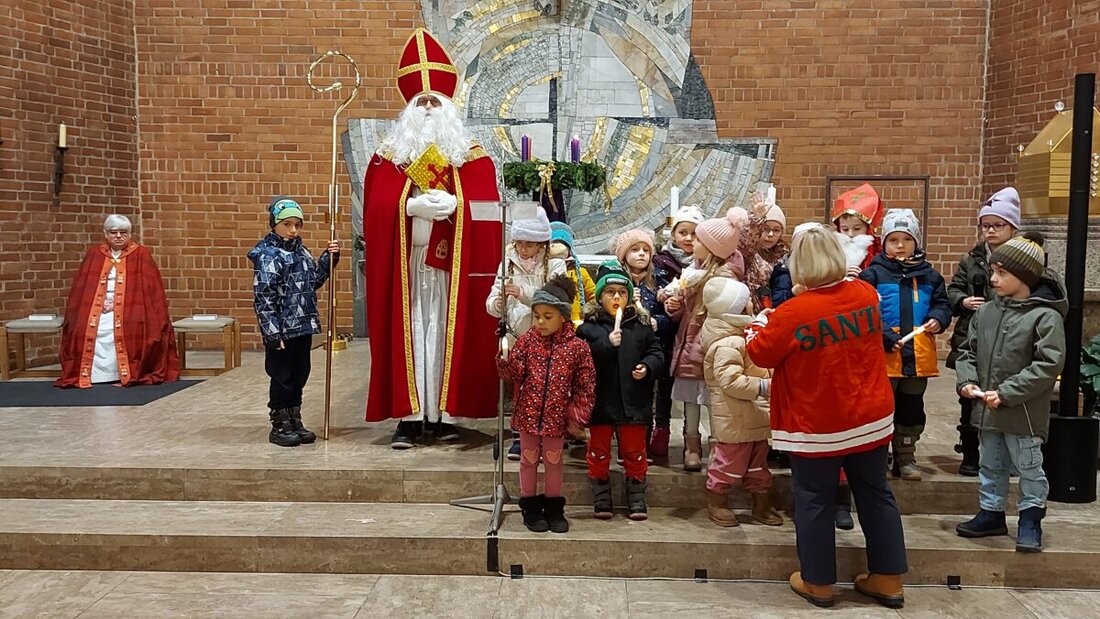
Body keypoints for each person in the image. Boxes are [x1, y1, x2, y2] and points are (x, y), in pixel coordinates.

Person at [746, 224, 907, 610]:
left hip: (817, 424)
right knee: (876, 494)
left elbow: (761, 353)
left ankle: (818, 582)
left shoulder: (793, 312)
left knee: (814, 500)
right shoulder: (864, 294)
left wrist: (759, 322)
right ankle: (888, 578)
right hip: (869, 416)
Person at [361, 29, 503, 448]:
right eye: (419, 101)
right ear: (408, 108)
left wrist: (457, 205)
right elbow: (374, 210)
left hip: (452, 271)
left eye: (433, 101)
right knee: (410, 333)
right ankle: (408, 417)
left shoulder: (471, 155)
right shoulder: (389, 155)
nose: (426, 107)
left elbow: (488, 209)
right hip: (406, 266)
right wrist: (407, 207)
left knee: (444, 333)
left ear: (447, 107)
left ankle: (441, 415)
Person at [954, 234, 1066, 553]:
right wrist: (967, 383)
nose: (993, 279)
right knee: (991, 463)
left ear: (1025, 276)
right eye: (993, 271)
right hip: (988, 410)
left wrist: (1006, 392)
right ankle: (991, 512)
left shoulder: (1045, 316)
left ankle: (1031, 518)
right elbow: (968, 352)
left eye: (1002, 273)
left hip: (1023, 413)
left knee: (1029, 466)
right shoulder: (987, 311)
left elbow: (1048, 363)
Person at [496, 275, 596, 533]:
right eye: (537, 315)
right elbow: (514, 375)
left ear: (562, 316)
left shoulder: (578, 348)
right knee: (528, 459)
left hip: (556, 418)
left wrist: (577, 415)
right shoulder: (527, 342)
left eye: (547, 316)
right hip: (528, 415)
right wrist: (505, 360)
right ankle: (530, 506)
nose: (540, 322)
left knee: (553, 460)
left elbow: (585, 384)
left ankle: (554, 508)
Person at [859, 209, 951, 481]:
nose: (900, 245)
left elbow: (942, 304)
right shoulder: (873, 275)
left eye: (907, 239)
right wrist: (884, 334)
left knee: (911, 408)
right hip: (884, 355)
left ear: (916, 242)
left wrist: (938, 318)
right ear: (884, 243)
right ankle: (878, 457)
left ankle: (905, 457)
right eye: (894, 239)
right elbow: (866, 311)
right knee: (881, 407)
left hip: (917, 357)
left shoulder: (930, 277)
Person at [248, 197, 340, 447]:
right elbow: (264, 297)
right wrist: (272, 332)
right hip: (282, 329)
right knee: (282, 376)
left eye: (297, 225)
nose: (293, 230)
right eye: (287, 224)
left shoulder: (300, 251)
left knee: (300, 374)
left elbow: (313, 282)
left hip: (303, 324)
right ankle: (280, 422)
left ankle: (294, 418)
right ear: (275, 224)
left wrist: (328, 260)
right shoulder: (268, 255)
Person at [577, 261, 664, 520]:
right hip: (601, 404)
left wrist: (647, 366)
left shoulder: (641, 326)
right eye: (610, 292)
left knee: (635, 452)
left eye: (622, 292)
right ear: (600, 296)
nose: (616, 297)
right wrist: (606, 343)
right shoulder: (587, 329)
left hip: (633, 403)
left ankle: (636, 497)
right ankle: (602, 497)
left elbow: (657, 353)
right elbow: (581, 361)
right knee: (598, 452)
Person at [664, 208, 747, 471]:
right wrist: (674, 306)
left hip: (712, 345)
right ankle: (691, 446)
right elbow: (683, 310)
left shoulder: (724, 279)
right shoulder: (693, 271)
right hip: (690, 343)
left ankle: (716, 446)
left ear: (712, 248)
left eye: (698, 240)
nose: (692, 243)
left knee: (714, 401)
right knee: (690, 399)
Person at [56, 215, 180, 388]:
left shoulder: (141, 254)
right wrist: (100, 303)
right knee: (82, 328)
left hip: (131, 307)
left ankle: (125, 374)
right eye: (113, 232)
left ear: (129, 234)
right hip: (97, 307)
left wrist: (116, 303)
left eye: (123, 232)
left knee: (136, 327)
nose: (118, 236)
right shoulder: (94, 254)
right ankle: (95, 375)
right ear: (106, 234)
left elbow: (149, 290)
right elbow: (83, 288)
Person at [947, 187, 1020, 477]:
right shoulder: (972, 258)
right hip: (973, 334)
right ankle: (970, 453)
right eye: (985, 225)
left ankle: (1007, 455)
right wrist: (963, 301)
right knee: (969, 395)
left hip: (1010, 336)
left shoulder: (1023, 257)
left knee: (1004, 396)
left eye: (997, 225)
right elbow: (952, 289)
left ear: (1012, 227)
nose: (990, 231)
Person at [701, 278, 782, 527]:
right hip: (735, 418)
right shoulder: (729, 343)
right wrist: (763, 386)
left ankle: (761, 503)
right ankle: (716, 501)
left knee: (759, 464)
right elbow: (730, 381)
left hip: (754, 416)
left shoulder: (741, 335)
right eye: (746, 300)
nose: (751, 303)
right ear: (733, 309)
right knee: (728, 463)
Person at [487, 209, 567, 459]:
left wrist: (522, 293)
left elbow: (556, 300)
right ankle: (522, 436)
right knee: (520, 388)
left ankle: (549, 433)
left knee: (547, 387)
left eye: (529, 244)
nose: (523, 249)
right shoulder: (508, 261)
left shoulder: (556, 263)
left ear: (542, 242)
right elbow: (491, 299)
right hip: (517, 334)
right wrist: (497, 303)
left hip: (547, 335)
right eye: (519, 243)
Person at [613, 229, 673, 461]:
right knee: (623, 397)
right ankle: (623, 446)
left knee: (647, 401)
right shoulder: (615, 280)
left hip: (650, 349)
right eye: (635, 250)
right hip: (623, 349)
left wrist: (658, 321)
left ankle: (641, 446)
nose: (641, 255)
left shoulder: (659, 282)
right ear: (623, 255)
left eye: (645, 250)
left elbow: (670, 318)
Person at [650, 204, 704, 460]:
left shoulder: (706, 260)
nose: (689, 238)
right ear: (673, 235)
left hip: (693, 333)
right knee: (664, 384)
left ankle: (690, 439)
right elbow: (660, 291)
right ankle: (660, 429)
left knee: (692, 387)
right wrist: (667, 302)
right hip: (666, 332)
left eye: (694, 234)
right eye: (683, 232)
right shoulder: (661, 261)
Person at [548, 222, 595, 326]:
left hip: (576, 324)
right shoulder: (544, 270)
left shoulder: (580, 272)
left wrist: (588, 312)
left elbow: (594, 295)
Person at [832, 183, 884, 276]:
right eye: (845, 229)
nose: (850, 234)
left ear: (868, 228)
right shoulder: (830, 250)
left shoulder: (878, 252)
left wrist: (865, 277)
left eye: (857, 228)